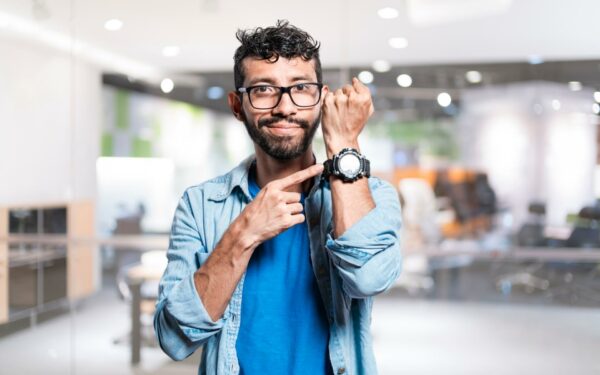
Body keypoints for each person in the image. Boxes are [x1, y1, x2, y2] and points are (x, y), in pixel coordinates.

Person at [154, 20, 402, 375]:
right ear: (238, 106)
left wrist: (344, 146)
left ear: (321, 100)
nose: (285, 106)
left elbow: (369, 278)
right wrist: (242, 236)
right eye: (264, 90)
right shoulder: (201, 205)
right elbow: (174, 338)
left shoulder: (372, 195)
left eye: (301, 88)